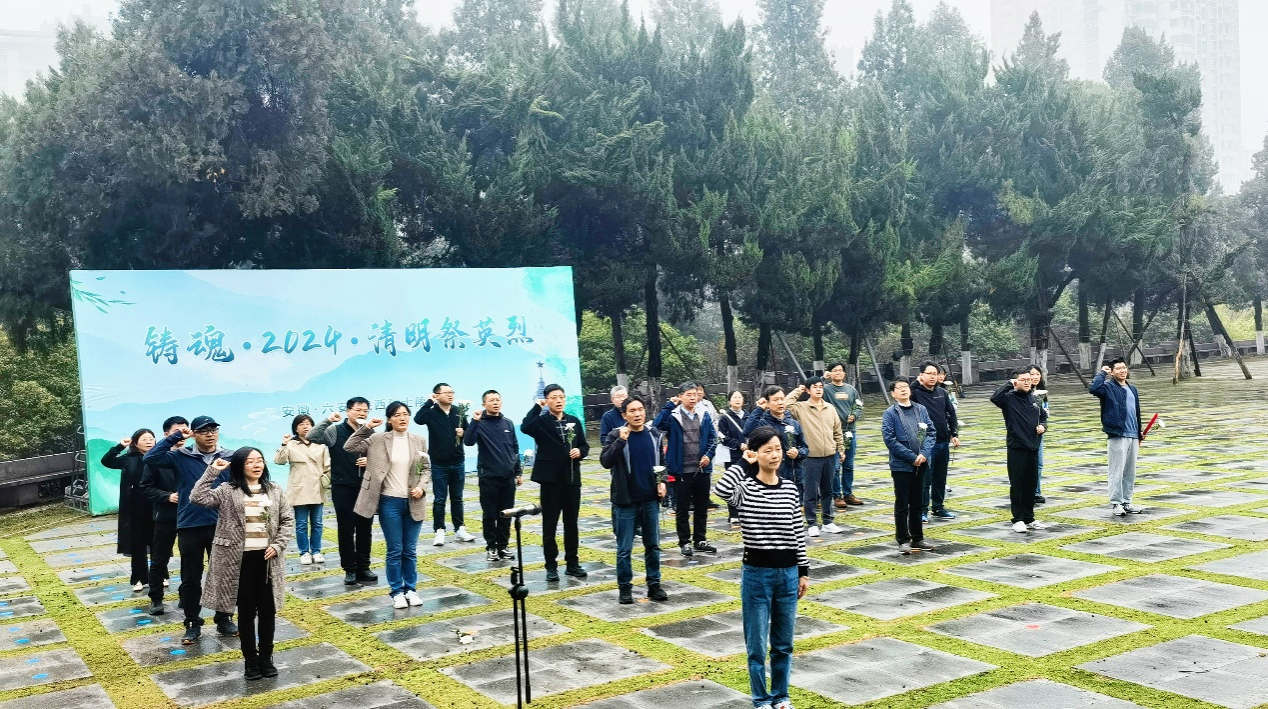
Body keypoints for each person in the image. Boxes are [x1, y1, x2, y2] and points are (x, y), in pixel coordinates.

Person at [712, 427, 809, 709]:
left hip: (788, 573)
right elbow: (721, 490)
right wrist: (745, 462)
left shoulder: (789, 488)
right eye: (768, 450)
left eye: (778, 448)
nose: (775, 455)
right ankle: (761, 699)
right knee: (756, 644)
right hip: (757, 574)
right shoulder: (745, 489)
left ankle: (781, 696)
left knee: (783, 643)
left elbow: (797, 531)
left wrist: (803, 571)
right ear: (756, 453)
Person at [191, 449, 293, 681]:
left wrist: (278, 545)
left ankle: (266, 658)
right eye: (250, 462)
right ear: (240, 466)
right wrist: (212, 471)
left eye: (260, 460)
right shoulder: (227, 490)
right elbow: (197, 497)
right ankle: (250, 661)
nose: (257, 465)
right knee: (246, 612)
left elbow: (287, 520)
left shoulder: (274, 489)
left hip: (268, 559)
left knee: (268, 611)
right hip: (238, 560)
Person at [143, 416, 237, 644]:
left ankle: (224, 618)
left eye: (213, 430)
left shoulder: (229, 456)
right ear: (193, 434)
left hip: (221, 524)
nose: (210, 434)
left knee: (223, 575)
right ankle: (192, 622)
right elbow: (150, 458)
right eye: (203, 431)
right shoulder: (181, 456)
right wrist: (176, 436)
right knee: (191, 577)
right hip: (190, 524)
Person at [346, 401, 430, 609]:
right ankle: (397, 592)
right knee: (395, 549)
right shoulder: (378, 439)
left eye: (405, 414)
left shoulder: (419, 440)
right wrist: (367, 427)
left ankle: (411, 589)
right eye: (397, 415)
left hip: (413, 501)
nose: (402, 418)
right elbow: (350, 446)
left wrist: (421, 487)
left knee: (410, 550)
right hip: (389, 501)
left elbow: (426, 469)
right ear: (389, 419)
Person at [600, 397, 669, 604]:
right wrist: (621, 441)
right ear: (624, 415)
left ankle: (654, 584)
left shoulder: (654, 434)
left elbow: (661, 462)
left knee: (653, 546)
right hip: (625, 501)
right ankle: (625, 587)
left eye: (640, 409)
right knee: (624, 548)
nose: (637, 414)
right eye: (632, 411)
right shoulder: (615, 435)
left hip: (650, 500)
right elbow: (605, 461)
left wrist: (662, 482)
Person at [521, 384, 590, 581]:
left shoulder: (574, 421)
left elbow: (584, 445)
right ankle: (551, 565)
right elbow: (525, 426)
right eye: (554, 397)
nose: (558, 400)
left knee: (571, 523)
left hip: (571, 479)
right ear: (547, 400)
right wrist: (538, 406)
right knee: (549, 524)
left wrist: (580, 452)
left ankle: (572, 563)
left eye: (561, 396)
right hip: (550, 480)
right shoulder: (541, 422)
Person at [307, 398, 378, 585]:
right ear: (348, 411)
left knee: (365, 529)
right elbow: (312, 436)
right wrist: (328, 420)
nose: (362, 414)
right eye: (358, 410)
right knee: (346, 529)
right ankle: (350, 569)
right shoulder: (335, 431)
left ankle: (364, 567)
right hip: (343, 486)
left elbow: (380, 457)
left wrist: (370, 461)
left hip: (366, 486)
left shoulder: (371, 432)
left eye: (365, 410)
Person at [653, 382, 717, 557]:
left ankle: (700, 539)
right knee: (682, 509)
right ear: (680, 396)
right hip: (681, 470)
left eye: (695, 394)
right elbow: (657, 426)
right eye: (688, 394)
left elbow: (713, 438)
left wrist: (708, 455)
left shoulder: (703, 414)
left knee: (701, 507)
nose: (693, 398)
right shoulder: (673, 416)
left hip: (702, 469)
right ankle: (684, 541)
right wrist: (669, 406)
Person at [465, 390, 523, 562]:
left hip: (508, 477)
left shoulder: (508, 423)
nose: (495, 403)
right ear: (484, 404)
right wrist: (474, 421)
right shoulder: (480, 422)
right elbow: (468, 441)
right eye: (491, 400)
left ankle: (503, 546)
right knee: (490, 514)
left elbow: (514, 449)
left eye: (498, 400)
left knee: (506, 513)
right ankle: (491, 546)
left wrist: (518, 472)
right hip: (488, 476)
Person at [414, 384, 475, 546]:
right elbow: (418, 419)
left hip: (458, 461)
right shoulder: (431, 412)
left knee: (457, 498)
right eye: (446, 392)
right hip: (439, 464)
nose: (450, 395)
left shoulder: (458, 411)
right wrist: (429, 402)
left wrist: (463, 433)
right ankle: (439, 530)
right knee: (440, 499)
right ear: (436, 395)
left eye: (451, 392)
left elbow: (469, 433)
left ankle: (460, 529)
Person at [882, 379, 937, 554]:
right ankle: (903, 540)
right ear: (893, 394)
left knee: (917, 503)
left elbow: (931, 432)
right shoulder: (890, 413)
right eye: (899, 388)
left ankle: (917, 538)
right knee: (902, 504)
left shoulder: (921, 409)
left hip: (921, 463)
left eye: (905, 386)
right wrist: (911, 457)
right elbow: (890, 439)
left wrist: (924, 454)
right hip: (901, 465)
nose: (903, 390)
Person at [138, 416, 187, 614]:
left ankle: (186, 596)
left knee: (190, 558)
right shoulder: (156, 458)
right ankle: (156, 599)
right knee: (159, 558)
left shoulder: (192, 455)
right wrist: (167, 496)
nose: (182, 434)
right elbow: (145, 487)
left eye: (185, 430)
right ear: (167, 434)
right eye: (177, 431)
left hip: (189, 515)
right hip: (165, 515)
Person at [992, 368, 1049, 533]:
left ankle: (1029, 518)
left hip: (1033, 446)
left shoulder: (1034, 397)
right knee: (1017, 485)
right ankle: (1017, 519)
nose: (1027, 382)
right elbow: (994, 397)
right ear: (1015, 381)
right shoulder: (1008, 398)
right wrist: (1010, 384)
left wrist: (1043, 426)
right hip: (1017, 447)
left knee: (1031, 485)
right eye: (1023, 380)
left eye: (1029, 379)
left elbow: (1043, 416)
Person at [787, 378, 846, 537]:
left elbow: (837, 431)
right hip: (811, 457)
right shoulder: (801, 408)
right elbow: (786, 404)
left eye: (821, 387)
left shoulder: (830, 408)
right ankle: (811, 523)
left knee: (828, 490)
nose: (819, 389)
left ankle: (828, 521)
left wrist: (840, 449)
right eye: (815, 387)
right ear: (808, 390)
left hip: (830, 455)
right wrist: (799, 390)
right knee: (810, 492)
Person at [101, 429, 157, 592]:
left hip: (156, 506)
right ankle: (139, 578)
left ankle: (160, 576)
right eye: (144, 439)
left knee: (158, 543)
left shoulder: (160, 457)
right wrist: (119, 446)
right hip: (135, 508)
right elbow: (107, 461)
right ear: (135, 443)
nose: (149, 441)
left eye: (151, 438)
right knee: (138, 545)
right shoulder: (128, 459)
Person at [273, 414, 330, 564]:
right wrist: (284, 444)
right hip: (299, 488)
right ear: (295, 428)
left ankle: (316, 551)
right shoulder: (291, 444)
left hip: (317, 487)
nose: (305, 426)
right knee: (301, 523)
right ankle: (304, 552)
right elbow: (279, 461)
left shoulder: (320, 444)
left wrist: (326, 478)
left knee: (317, 522)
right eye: (301, 424)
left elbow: (327, 465)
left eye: (308, 423)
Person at [1090, 358, 1144, 516]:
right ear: (1112, 372)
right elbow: (1093, 388)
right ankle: (1116, 503)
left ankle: (1127, 501)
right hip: (1118, 434)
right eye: (1118, 368)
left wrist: (1139, 431)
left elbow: (1136, 412)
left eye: (1124, 367)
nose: (1122, 371)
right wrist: (1102, 373)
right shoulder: (1108, 387)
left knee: (1130, 471)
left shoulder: (1132, 388)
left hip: (1133, 435)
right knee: (1116, 471)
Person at [912, 361, 961, 521]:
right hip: (925, 443)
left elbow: (951, 414)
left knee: (940, 477)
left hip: (942, 441)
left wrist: (954, 433)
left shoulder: (942, 392)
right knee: (925, 478)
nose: (933, 377)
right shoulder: (915, 393)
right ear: (921, 375)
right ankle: (922, 510)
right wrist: (916, 383)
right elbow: (905, 392)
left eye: (935, 374)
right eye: (929, 374)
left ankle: (938, 507)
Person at [742, 386, 809, 491]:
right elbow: (747, 432)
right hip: (770, 477)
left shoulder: (794, 424)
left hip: (794, 476)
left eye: (782, 399)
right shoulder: (762, 423)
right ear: (768, 403)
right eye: (776, 400)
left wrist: (798, 453)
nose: (780, 402)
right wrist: (759, 409)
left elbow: (805, 448)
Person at [824, 363, 864, 510]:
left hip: (850, 431)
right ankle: (837, 495)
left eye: (840, 370)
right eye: (835, 371)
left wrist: (855, 415)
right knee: (835, 465)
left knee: (849, 464)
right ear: (830, 373)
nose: (838, 373)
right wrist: (822, 378)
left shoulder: (851, 389)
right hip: (833, 432)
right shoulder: (826, 389)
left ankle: (848, 493)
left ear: (844, 373)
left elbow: (858, 405)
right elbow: (814, 390)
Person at [716, 390, 748, 525]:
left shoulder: (748, 416)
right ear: (729, 401)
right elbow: (723, 437)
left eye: (740, 397)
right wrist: (738, 445)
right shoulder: (725, 417)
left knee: (747, 483)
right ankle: (733, 514)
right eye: (735, 397)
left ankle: (746, 511)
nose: (738, 399)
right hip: (733, 456)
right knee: (733, 484)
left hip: (748, 455)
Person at [1027, 365, 1050, 504]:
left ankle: (1036, 492)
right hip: (1025, 434)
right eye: (1032, 374)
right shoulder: (1023, 393)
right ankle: (1027, 492)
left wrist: (1043, 425)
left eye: (1038, 374)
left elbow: (1046, 414)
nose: (1035, 377)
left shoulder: (1042, 394)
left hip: (1038, 433)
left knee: (1039, 464)